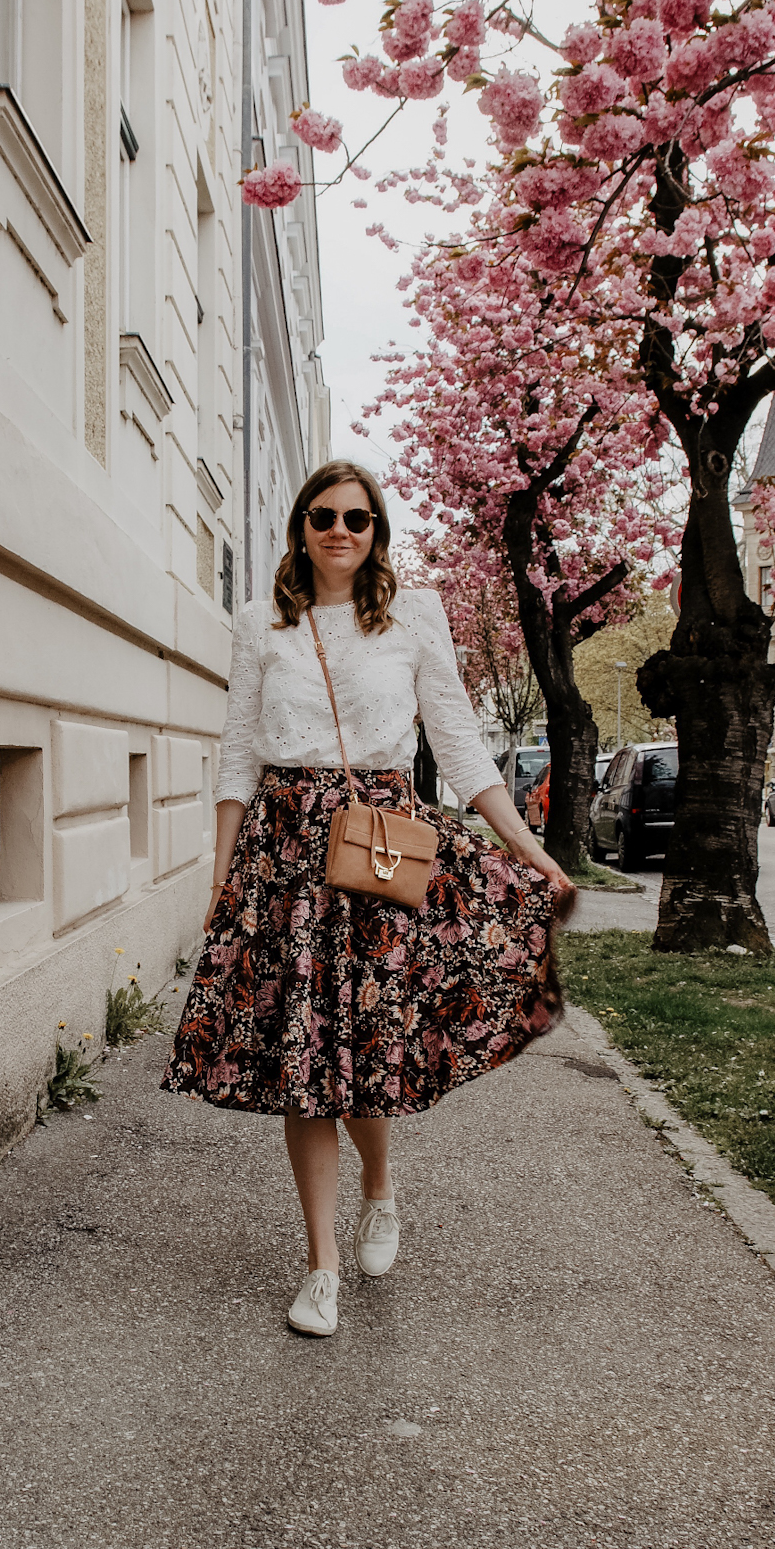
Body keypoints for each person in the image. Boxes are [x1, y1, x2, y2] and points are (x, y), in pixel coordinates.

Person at [162, 461, 573, 1337]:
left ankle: (379, 1192)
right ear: (299, 529)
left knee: (364, 1058)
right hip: (282, 861)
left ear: (376, 529)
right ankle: (320, 1268)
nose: (338, 530)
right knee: (302, 1070)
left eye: (356, 517)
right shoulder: (260, 625)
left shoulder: (414, 616)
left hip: (380, 854)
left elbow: (459, 750)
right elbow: (239, 756)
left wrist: (529, 852)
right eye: (321, 516)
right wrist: (220, 875)